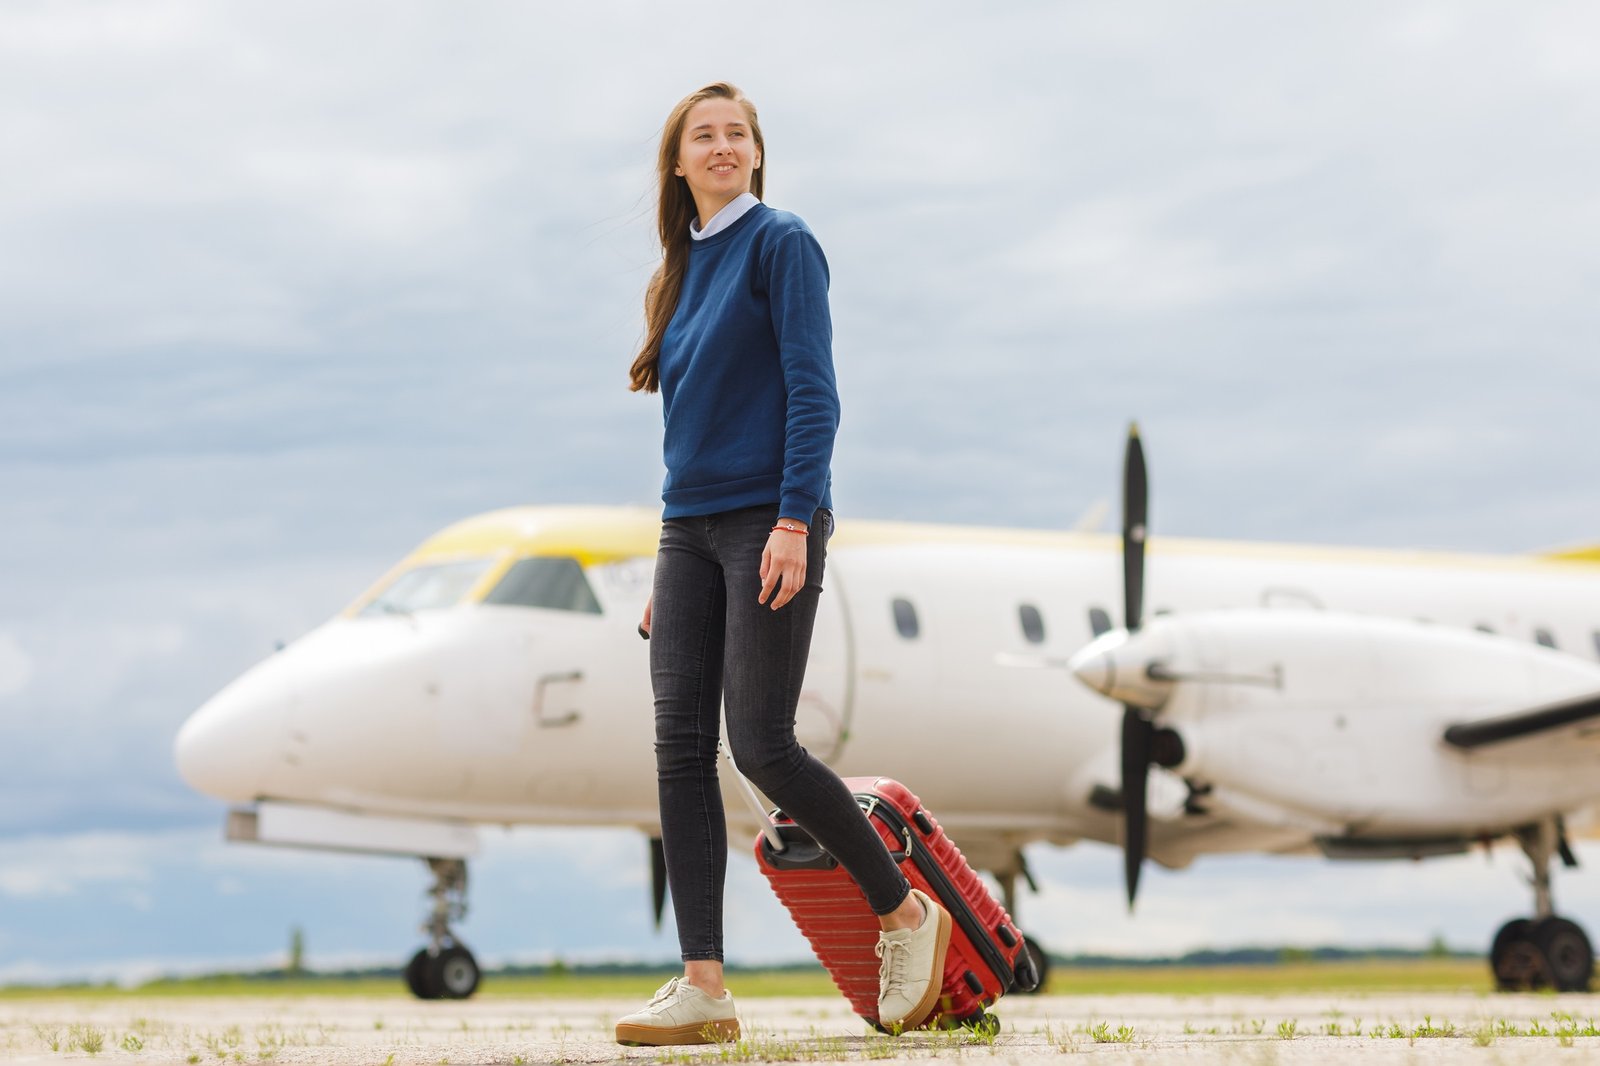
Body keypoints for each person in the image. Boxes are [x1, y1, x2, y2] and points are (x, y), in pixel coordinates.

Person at [613, 82, 951, 1047]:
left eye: (737, 134)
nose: (721, 147)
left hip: (770, 517)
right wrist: (665, 563)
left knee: (760, 742)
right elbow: (689, 432)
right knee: (679, 747)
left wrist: (796, 521)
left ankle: (905, 916)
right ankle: (703, 986)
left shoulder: (782, 244)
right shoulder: (674, 275)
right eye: (701, 137)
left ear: (757, 155)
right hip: (690, 531)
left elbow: (814, 390)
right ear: (677, 165)